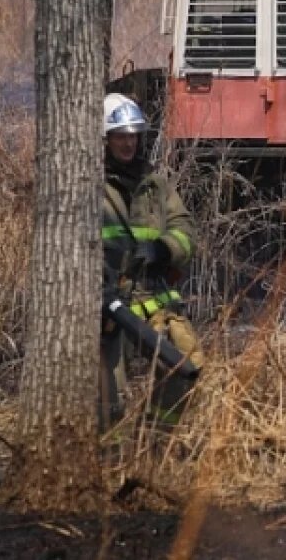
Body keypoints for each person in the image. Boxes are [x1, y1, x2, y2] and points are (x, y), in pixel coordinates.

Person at [100, 93, 202, 431]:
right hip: (110, 307)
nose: (128, 143)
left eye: (133, 135)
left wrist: (164, 249)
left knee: (185, 367)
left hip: (152, 301)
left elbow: (186, 228)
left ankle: (155, 440)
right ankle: (108, 464)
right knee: (107, 394)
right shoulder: (90, 186)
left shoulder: (155, 185)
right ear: (105, 139)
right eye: (119, 135)